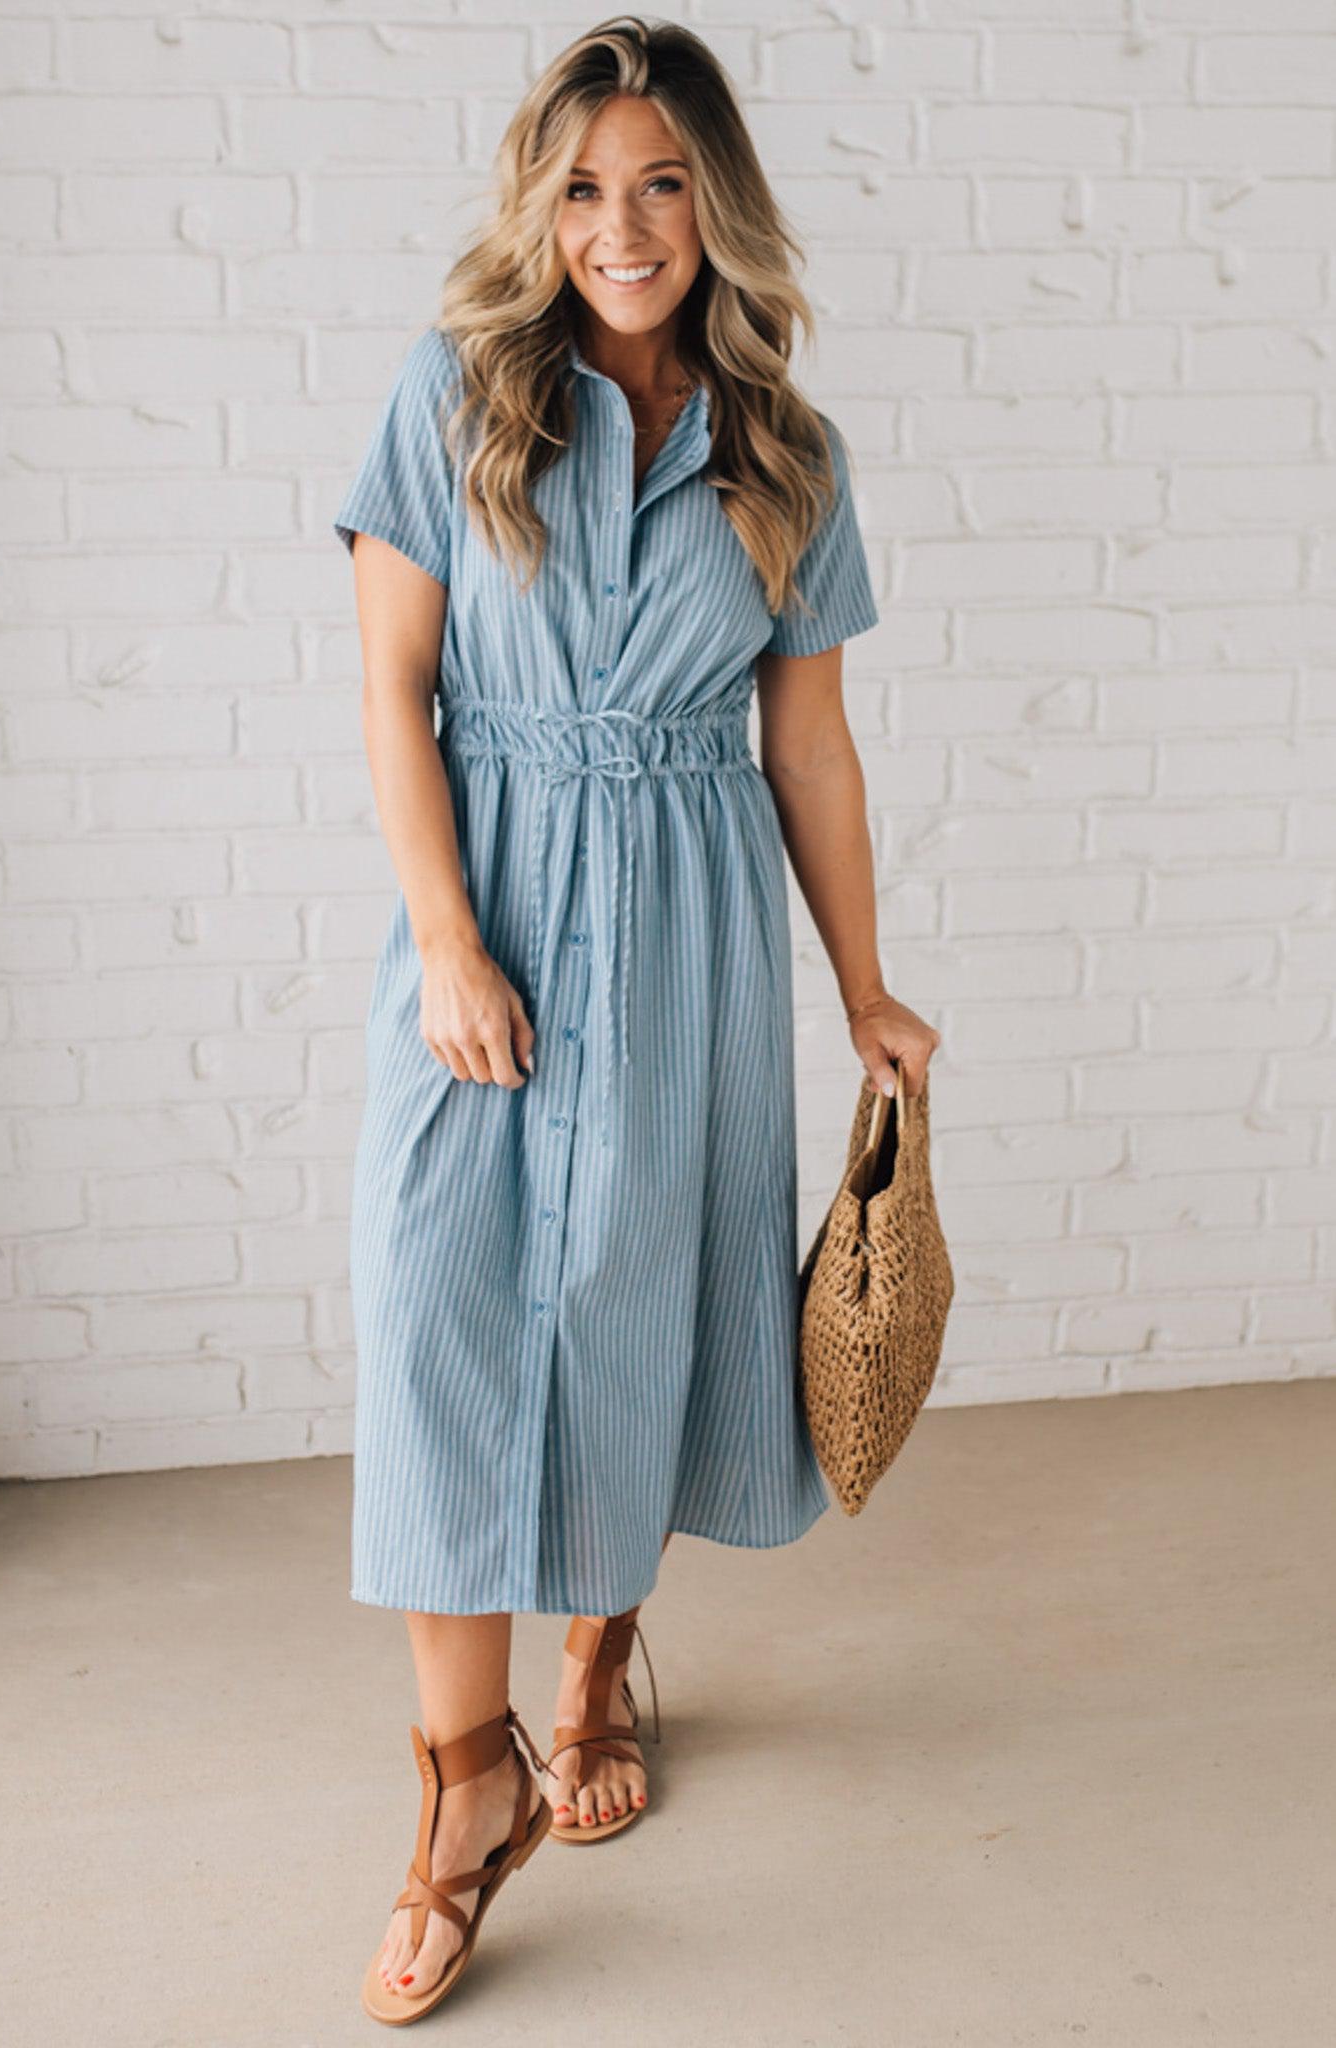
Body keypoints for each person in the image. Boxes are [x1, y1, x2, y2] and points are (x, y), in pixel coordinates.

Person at [332, 14, 941, 2026]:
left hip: (684, 924)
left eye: (661, 182)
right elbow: (390, 694)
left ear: (716, 201)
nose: (622, 223)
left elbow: (813, 745)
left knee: (626, 1298)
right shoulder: (452, 399)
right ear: (539, 202)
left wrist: (864, 990)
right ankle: (458, 1789)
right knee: (437, 1315)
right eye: (585, 184)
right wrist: (443, 936)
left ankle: (596, 1667)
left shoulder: (784, 451)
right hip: (489, 907)